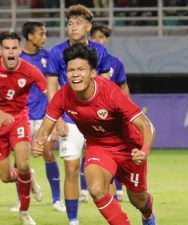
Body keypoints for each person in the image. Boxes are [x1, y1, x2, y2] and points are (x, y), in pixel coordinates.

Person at [32, 44, 157, 225]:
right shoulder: (63, 96)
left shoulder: (110, 92)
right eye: (71, 70)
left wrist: (144, 150)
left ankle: (148, 215)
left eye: (81, 69)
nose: (75, 74)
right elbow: (46, 126)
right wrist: (39, 141)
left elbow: (146, 125)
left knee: (139, 200)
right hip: (99, 147)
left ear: (92, 73)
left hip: (129, 148)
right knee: (97, 189)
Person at [46, 4, 111, 225]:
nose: (73, 27)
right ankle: (73, 220)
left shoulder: (99, 52)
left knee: (105, 169)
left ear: (88, 27)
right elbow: (52, 87)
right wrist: (55, 120)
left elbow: (106, 85)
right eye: (70, 23)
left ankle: (112, 214)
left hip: (97, 118)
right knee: (71, 168)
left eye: (78, 23)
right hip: (69, 118)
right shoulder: (57, 52)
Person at [0, 31, 47, 225]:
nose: (11, 52)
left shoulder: (30, 71)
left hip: (18, 120)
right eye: (7, 48)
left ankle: (24, 213)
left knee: (22, 164)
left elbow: (50, 91)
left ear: (20, 49)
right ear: (1, 50)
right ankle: (29, 177)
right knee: (6, 177)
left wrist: (59, 119)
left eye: (14, 48)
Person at [13, 21, 65, 213]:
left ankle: (57, 199)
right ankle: (22, 200)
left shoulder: (48, 57)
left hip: (45, 117)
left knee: (49, 153)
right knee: (19, 161)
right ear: (29, 36)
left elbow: (56, 86)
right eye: (40, 34)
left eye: (45, 33)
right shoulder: (18, 58)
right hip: (23, 115)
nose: (44, 37)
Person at [82, 23, 130, 201]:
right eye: (96, 37)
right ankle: (85, 189)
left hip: (113, 113)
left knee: (118, 150)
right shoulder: (85, 64)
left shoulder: (115, 63)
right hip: (91, 112)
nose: (99, 41)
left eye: (102, 37)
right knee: (89, 150)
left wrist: (127, 110)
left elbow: (123, 86)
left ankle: (119, 188)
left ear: (106, 40)